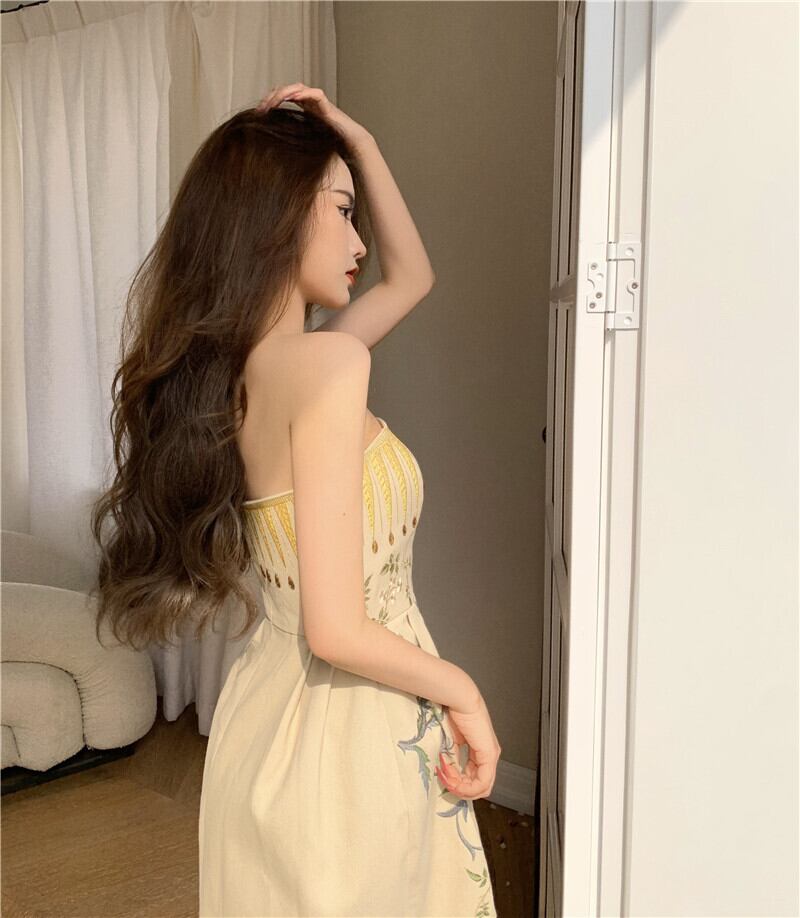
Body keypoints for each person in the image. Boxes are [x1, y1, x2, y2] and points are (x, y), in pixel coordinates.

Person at [90, 82, 500, 917]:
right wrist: (464, 691)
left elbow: (411, 276)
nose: (360, 241)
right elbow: (338, 629)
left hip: (273, 719)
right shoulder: (326, 366)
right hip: (349, 731)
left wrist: (356, 144)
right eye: (342, 211)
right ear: (277, 216)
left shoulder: (243, 376)